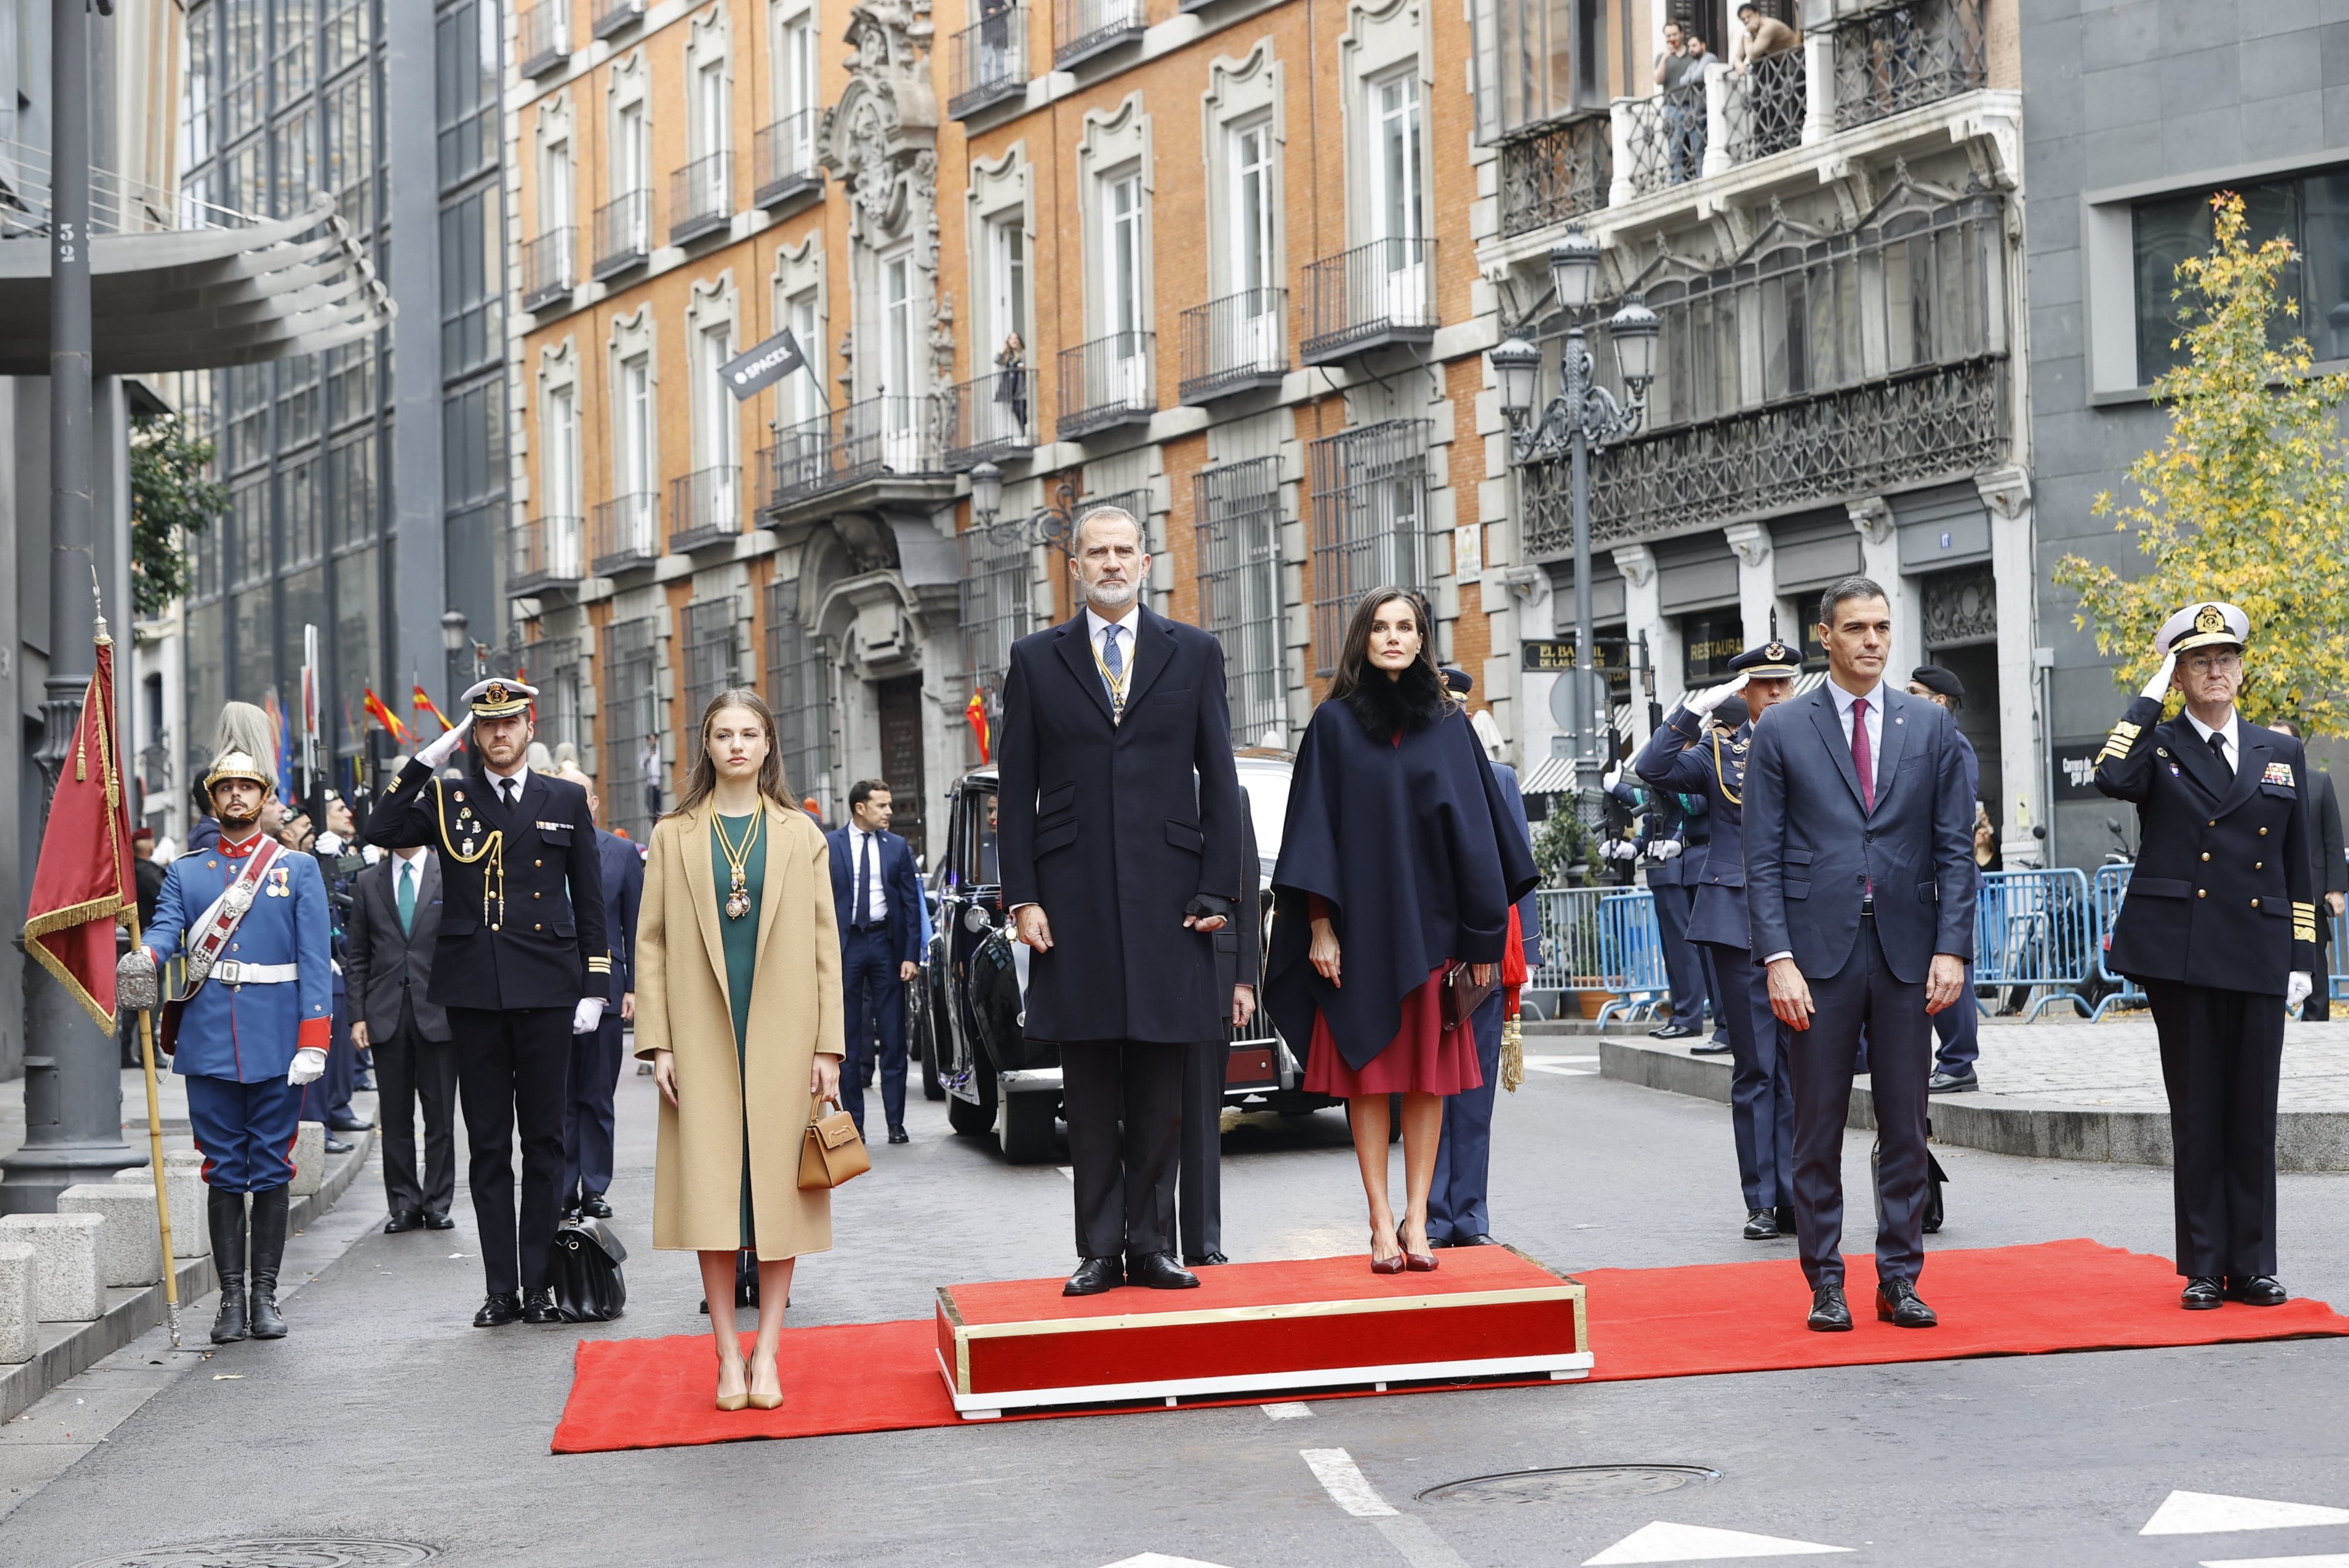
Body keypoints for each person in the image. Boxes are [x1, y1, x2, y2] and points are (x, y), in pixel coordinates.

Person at [996, 504, 1246, 1297]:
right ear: (1074, 567)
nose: (1110, 562)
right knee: (1093, 1079)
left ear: (1146, 563)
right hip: (1073, 905)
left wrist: (1218, 887)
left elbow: (1223, 781)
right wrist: (1023, 898)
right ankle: (1100, 1248)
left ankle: (1154, 1242)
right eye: (1096, 552)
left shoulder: (1195, 653)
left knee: (1162, 1087)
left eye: (1123, 551)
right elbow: (1016, 784)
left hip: (1173, 897)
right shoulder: (1036, 660)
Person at [1264, 591, 1537, 1273]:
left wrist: (1479, 946)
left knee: (1425, 1082)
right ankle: (1380, 1223)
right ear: (1363, 639)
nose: (1393, 638)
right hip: (1356, 935)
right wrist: (1319, 929)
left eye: (1406, 628)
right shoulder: (1330, 725)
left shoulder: (1449, 725)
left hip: (1431, 933)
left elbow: (1479, 839)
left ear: (1422, 640)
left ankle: (1419, 1224)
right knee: (1367, 1079)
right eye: (1381, 627)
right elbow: (1311, 831)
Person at [1744, 578, 1976, 1333]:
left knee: (1908, 1124)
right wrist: (1776, 957)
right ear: (1826, 636)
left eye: (1881, 627)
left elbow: (1953, 849)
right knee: (1816, 1124)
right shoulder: (1782, 728)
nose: (1872, 641)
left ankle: (1899, 1277)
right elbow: (1763, 856)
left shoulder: (1928, 727)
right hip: (1815, 955)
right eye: (1856, 629)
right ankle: (1825, 1282)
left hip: (1910, 952)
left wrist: (1953, 949)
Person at [362, 678, 610, 1328]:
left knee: (547, 1141)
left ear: (530, 726)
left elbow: (589, 900)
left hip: (549, 988)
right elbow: (380, 826)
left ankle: (541, 1287)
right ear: (474, 734)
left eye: (510, 723)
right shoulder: (451, 797)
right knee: (491, 1145)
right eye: (487, 726)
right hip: (474, 992)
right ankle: (502, 1288)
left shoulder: (563, 798)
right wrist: (426, 761)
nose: (500, 735)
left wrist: (596, 986)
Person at [2095, 601, 2314, 1311]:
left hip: (2256, 947)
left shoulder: (2277, 752)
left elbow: (2297, 859)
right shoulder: (2154, 747)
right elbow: (2109, 777)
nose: (2214, 670)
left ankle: (2252, 1264)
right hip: (2180, 952)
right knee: (2196, 1108)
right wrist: (2149, 694)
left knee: (2253, 1111)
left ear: (2241, 671)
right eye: (2197, 661)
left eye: (2225, 659)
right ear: (2178, 674)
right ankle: (2202, 1265)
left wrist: (2303, 954)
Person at [636, 689, 844, 1411]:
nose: (736, 746)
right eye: (723, 734)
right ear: (706, 745)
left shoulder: (800, 833)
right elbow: (652, 944)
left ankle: (770, 1350)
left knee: (780, 1199)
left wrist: (829, 1047)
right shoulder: (674, 834)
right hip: (700, 1037)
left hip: (786, 1035)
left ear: (767, 744)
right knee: (713, 1196)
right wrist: (658, 1043)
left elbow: (826, 948)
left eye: (749, 733)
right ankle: (726, 1352)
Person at [117, 725, 332, 1344]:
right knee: (222, 1170)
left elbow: (314, 959)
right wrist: (146, 960)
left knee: (270, 1168)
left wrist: (314, 1038)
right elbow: (165, 930)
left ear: (265, 797)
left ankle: (265, 1297)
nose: (237, 797)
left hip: (276, 1039)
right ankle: (230, 1301)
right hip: (210, 1037)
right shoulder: (189, 873)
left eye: (248, 787)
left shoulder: (297, 869)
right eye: (226, 788)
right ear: (212, 800)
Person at [1637, 642, 1801, 1240]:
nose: (1777, 693)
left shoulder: (1820, 739)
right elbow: (1651, 768)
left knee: (1806, 1067)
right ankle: (1763, 1197)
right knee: (1758, 1066)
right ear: (1743, 692)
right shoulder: (1716, 752)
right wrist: (1689, 714)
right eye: (1764, 685)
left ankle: (1800, 1190)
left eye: (1784, 682)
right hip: (1740, 922)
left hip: (1810, 919)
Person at [1423, 667, 1542, 1250]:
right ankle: (1427, 1214)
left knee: (1473, 1100)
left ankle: (1468, 1217)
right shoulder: (1405, 777)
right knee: (1424, 1094)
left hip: (1482, 960)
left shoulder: (1498, 781)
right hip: (1423, 960)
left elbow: (1522, 876)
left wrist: (1532, 952)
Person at [347, 827, 459, 1233]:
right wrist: (357, 1014)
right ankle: (403, 1205)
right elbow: (358, 954)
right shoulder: (367, 881)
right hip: (385, 1014)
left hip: (440, 1012)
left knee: (440, 1117)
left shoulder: (447, 870)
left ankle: (437, 1202)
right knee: (395, 1118)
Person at [555, 765, 641, 1219]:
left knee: (597, 1095)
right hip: (549, 989)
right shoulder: (538, 845)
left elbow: (636, 926)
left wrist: (635, 990)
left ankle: (595, 1187)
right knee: (558, 1096)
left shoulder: (623, 852)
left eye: (579, 794)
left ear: (593, 803)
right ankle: (564, 1187)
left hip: (606, 987)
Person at [1179, 800, 1261, 1268]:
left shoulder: (1232, 797)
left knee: (1205, 1114)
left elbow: (1246, 892)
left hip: (1217, 970)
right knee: (1152, 1113)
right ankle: (1154, 1243)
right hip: (1154, 973)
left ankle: (1203, 1241)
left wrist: (1245, 982)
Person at [826, 779, 923, 1142]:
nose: (889, 812)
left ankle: (896, 1124)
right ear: (860, 808)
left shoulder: (897, 847)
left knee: (894, 1035)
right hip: (847, 946)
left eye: (890, 805)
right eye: (882, 805)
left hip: (886, 946)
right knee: (848, 1037)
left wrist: (911, 955)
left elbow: (911, 905)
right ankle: (856, 1127)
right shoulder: (830, 845)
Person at [1905, 665, 1986, 1092]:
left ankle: (1958, 1062)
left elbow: (1955, 821)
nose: (1905, 697)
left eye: (1913, 691)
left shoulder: (1952, 742)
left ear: (1937, 701)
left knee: (1951, 972)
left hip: (1945, 879)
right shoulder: (1923, 740)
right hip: (1922, 878)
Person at [2267, 719, 2344, 1021]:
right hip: (2271, 890)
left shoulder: (2319, 782)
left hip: (2311, 892)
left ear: (2296, 747)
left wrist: (2336, 889)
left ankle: (2318, 1021)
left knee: (2314, 961)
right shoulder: (2257, 781)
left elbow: (2333, 838)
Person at [1643, 778, 1710, 1041]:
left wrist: (1621, 788)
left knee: (1685, 952)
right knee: (1673, 955)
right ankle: (1681, 1013)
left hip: (1677, 868)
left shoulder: (1684, 776)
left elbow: (1690, 808)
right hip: (1665, 867)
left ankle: (1689, 1016)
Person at [1729, 1, 1799, 68]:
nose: (1747, 21)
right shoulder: (1749, 31)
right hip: (1779, 63)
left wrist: (1747, 34)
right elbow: (1738, 56)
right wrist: (1737, 63)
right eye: (1743, 19)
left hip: (1795, 58)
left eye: (1749, 16)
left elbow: (1752, 55)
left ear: (1757, 14)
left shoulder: (1768, 26)